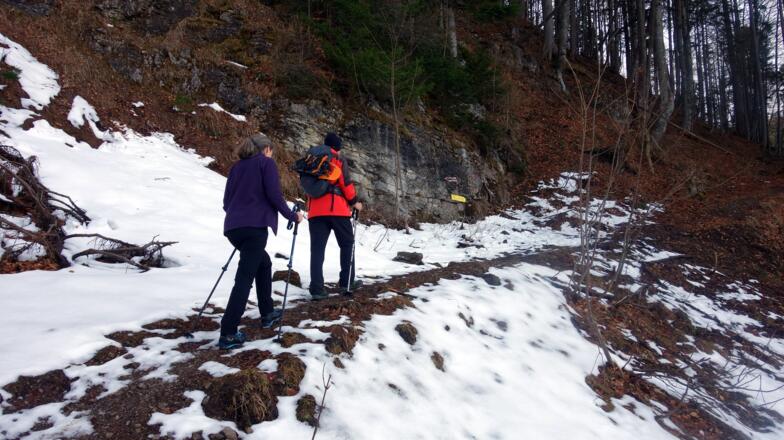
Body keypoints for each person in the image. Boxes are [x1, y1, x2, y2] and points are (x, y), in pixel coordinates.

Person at [220, 133, 304, 349]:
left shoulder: (236, 167)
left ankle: (267, 312)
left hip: (233, 228)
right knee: (244, 278)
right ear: (266, 150)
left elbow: (226, 201)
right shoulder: (265, 164)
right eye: (271, 151)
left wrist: (240, 214)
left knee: (263, 263)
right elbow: (274, 195)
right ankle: (228, 333)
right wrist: (293, 216)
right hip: (255, 228)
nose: (272, 154)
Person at [308, 132, 363, 300]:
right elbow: (345, 183)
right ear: (337, 147)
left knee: (317, 250)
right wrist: (354, 202)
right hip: (337, 210)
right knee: (347, 244)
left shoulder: (311, 158)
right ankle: (346, 281)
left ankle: (317, 288)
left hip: (315, 211)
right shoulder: (337, 158)